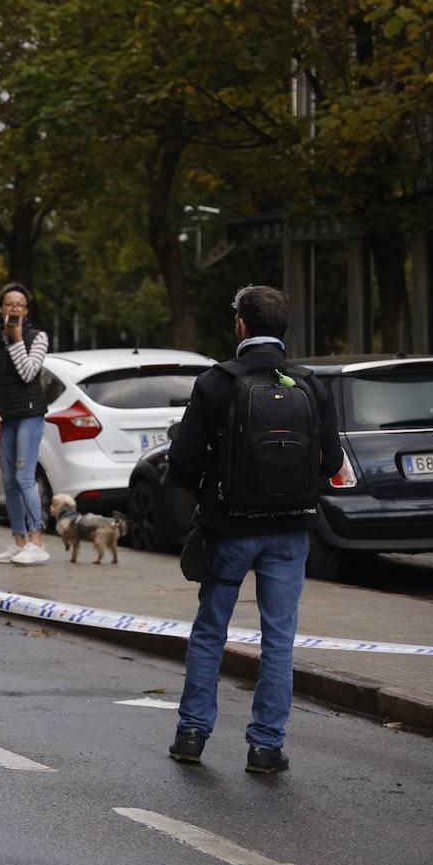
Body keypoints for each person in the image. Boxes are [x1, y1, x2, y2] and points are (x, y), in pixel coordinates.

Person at [166, 285, 342, 774]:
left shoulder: (217, 382)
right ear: (282, 329)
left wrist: (205, 499)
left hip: (229, 528)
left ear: (241, 326)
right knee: (279, 638)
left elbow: (181, 462)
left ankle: (192, 734)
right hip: (290, 533)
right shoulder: (309, 384)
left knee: (209, 632)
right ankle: (266, 746)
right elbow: (332, 462)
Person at [0, 282, 51, 566]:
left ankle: (37, 540)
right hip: (1, 417)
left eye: (20, 304)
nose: (14, 308)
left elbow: (29, 373)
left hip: (29, 415)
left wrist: (16, 339)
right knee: (8, 482)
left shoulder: (37, 337)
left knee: (23, 477)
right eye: (9, 303)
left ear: (26, 310)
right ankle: (18, 541)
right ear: (2, 308)